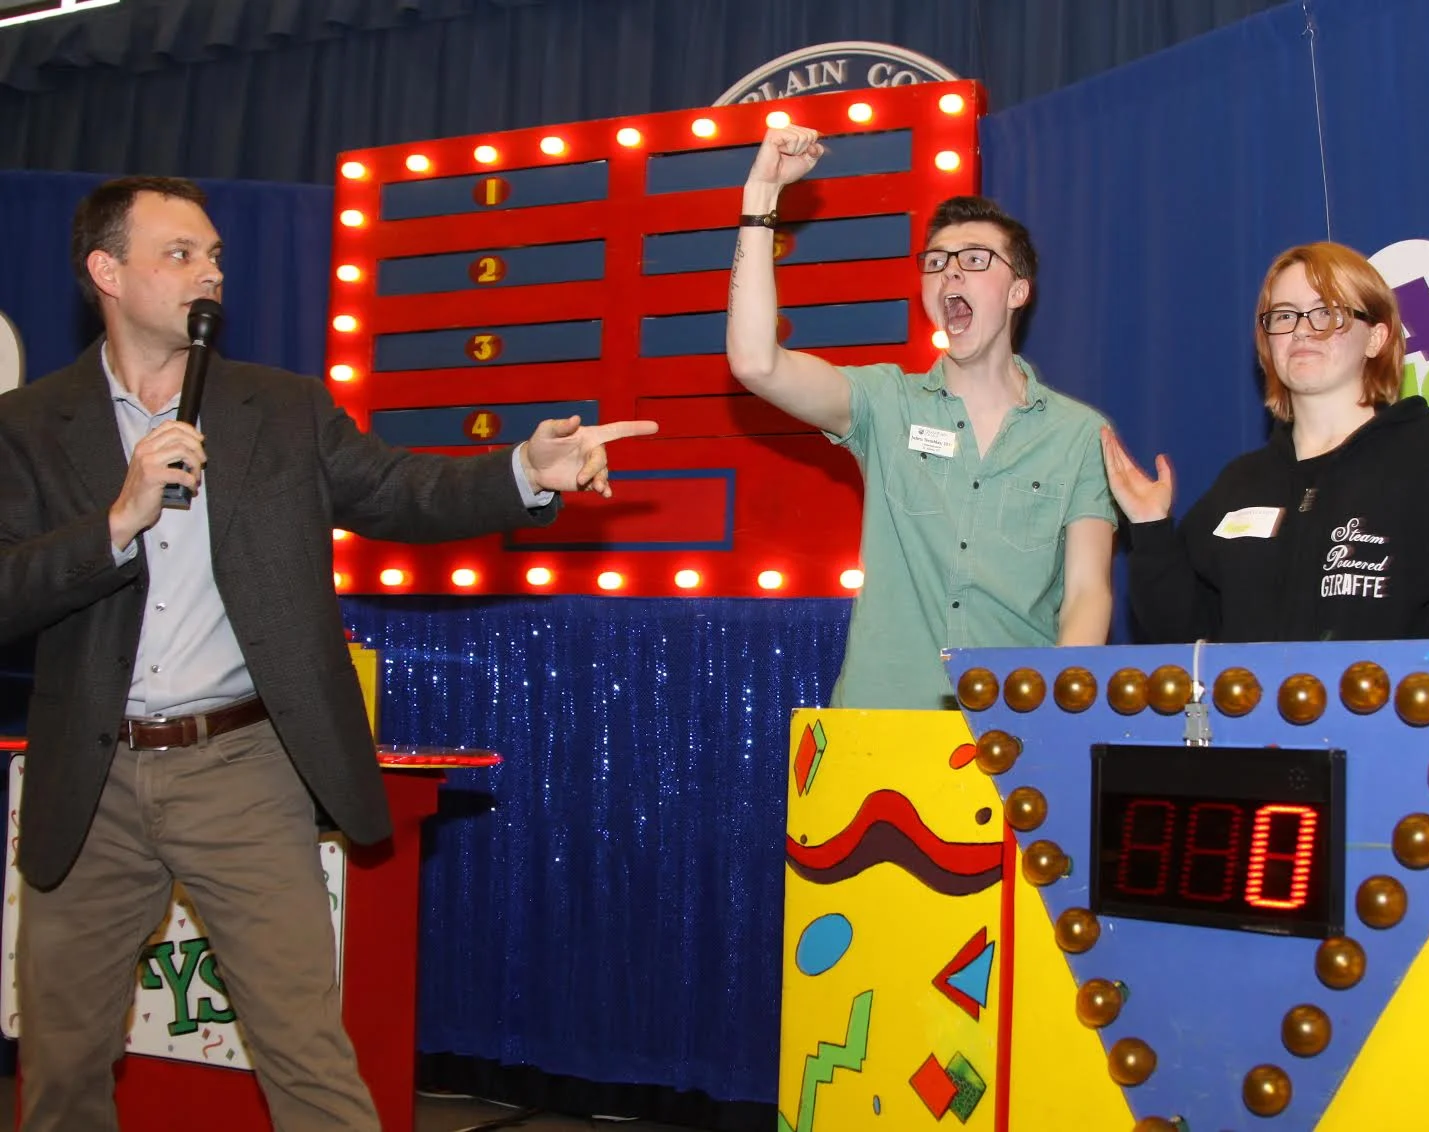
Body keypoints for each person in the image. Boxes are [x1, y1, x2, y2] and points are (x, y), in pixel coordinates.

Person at [0, 176, 657, 1131]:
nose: (209, 273)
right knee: (61, 1071)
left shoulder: (280, 409)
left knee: (307, 1054)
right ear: (107, 271)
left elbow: (404, 492)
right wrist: (117, 521)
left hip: (239, 767)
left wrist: (525, 471)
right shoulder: (28, 426)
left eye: (215, 255)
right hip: (88, 783)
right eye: (180, 254)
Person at [726, 125, 1117, 710]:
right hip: (881, 724)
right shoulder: (885, 401)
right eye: (936, 262)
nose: (950, 272)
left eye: (975, 260)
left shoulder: (1079, 434)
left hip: (1010, 726)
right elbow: (756, 363)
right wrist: (760, 198)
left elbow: (1088, 593)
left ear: (1018, 291)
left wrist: (1054, 715)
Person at [1105, 240, 1429, 644]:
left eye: (1327, 313)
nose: (1302, 331)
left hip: (1391, 727)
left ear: (1376, 338)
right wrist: (1150, 528)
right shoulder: (1241, 483)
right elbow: (1180, 637)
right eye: (1284, 315)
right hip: (1252, 731)